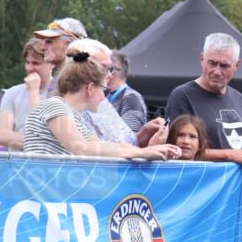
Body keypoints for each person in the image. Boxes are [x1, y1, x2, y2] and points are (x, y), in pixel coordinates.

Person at [23, 44, 180, 161]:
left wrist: (152, 150)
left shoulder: (70, 114)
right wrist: (142, 152)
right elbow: (81, 148)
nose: (103, 98)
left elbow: (101, 144)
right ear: (90, 88)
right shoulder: (55, 106)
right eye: (103, 89)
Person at [166, 33, 242, 174]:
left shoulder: (239, 98)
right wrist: (230, 155)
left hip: (236, 186)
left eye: (224, 65)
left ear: (236, 65)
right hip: (201, 185)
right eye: (212, 63)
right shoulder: (182, 96)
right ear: (202, 59)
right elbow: (175, 149)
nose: (217, 71)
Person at [0, 38, 58, 150]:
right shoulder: (12, 93)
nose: (29, 68)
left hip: (49, 166)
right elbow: (1, 135)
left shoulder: (62, 93)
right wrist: (38, 145)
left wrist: (34, 92)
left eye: (36, 63)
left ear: (52, 64)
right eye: (27, 62)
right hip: (17, 166)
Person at [107, 50, 148, 132]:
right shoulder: (105, 95)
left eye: (102, 67)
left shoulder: (131, 98)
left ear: (112, 71)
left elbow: (130, 137)